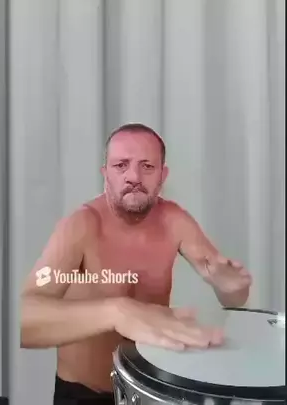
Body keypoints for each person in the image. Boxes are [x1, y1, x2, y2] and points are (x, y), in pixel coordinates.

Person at [20, 123, 252, 404]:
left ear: (162, 175)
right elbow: (23, 321)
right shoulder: (80, 226)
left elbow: (233, 298)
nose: (134, 177)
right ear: (105, 173)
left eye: (147, 166)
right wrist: (117, 312)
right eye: (121, 165)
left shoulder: (174, 221)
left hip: (149, 391)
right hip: (84, 395)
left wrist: (231, 288)